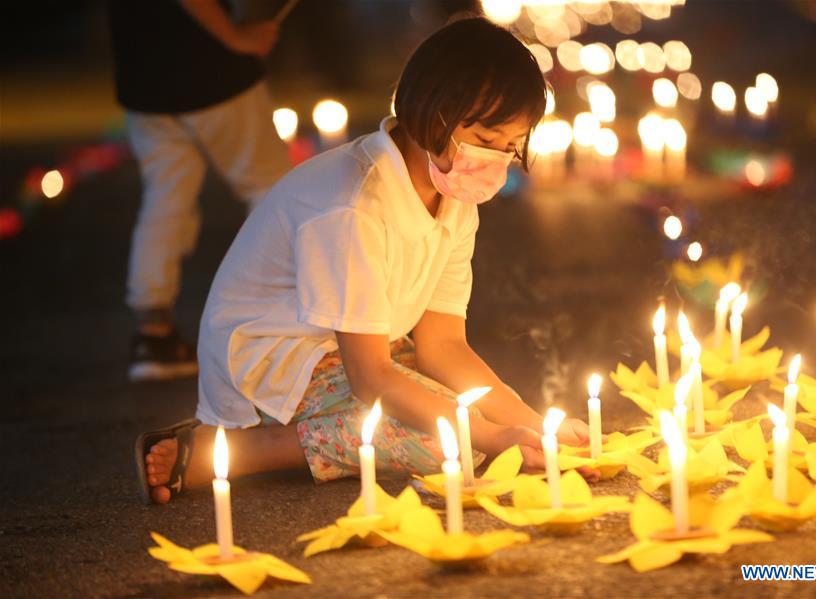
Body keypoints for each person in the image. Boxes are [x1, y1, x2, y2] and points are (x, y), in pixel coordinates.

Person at [136, 17, 592, 505]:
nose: (495, 159)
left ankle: (306, 435)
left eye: (509, 146)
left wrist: (533, 426)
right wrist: (492, 437)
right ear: (432, 114)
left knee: (465, 416)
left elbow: (443, 347)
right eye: (485, 138)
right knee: (446, 441)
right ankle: (231, 449)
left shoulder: (455, 196)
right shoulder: (353, 205)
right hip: (271, 365)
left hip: (352, 349)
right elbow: (372, 377)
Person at [108, 0, 291, 381]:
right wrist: (235, 36)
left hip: (143, 78)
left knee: (165, 198)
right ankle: (283, 319)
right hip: (211, 71)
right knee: (272, 191)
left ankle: (153, 333)